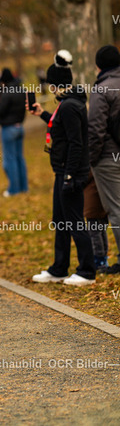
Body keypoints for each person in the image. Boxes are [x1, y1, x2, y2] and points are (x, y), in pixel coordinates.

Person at [28, 50, 96, 286]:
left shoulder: (69, 106)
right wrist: (42, 114)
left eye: (50, 84)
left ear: (55, 84)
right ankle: (59, 268)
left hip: (71, 172)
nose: (49, 88)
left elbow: (77, 143)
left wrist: (69, 175)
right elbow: (61, 128)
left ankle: (87, 271)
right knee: (61, 220)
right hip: (62, 171)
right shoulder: (68, 103)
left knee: (74, 221)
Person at [88, 45, 120, 274]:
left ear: (99, 66)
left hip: (108, 158)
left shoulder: (101, 90)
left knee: (116, 210)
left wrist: (91, 159)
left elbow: (95, 130)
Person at [0, 68, 28, 197]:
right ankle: (24, 187)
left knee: (10, 160)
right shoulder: (21, 90)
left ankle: (14, 189)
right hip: (20, 127)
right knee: (19, 158)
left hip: (8, 128)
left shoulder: (7, 93)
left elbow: (0, 111)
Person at [83, 172, 109, 270]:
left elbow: (86, 176)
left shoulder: (93, 166)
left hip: (93, 200)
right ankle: (103, 258)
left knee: (95, 233)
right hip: (102, 198)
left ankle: (99, 259)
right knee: (101, 230)